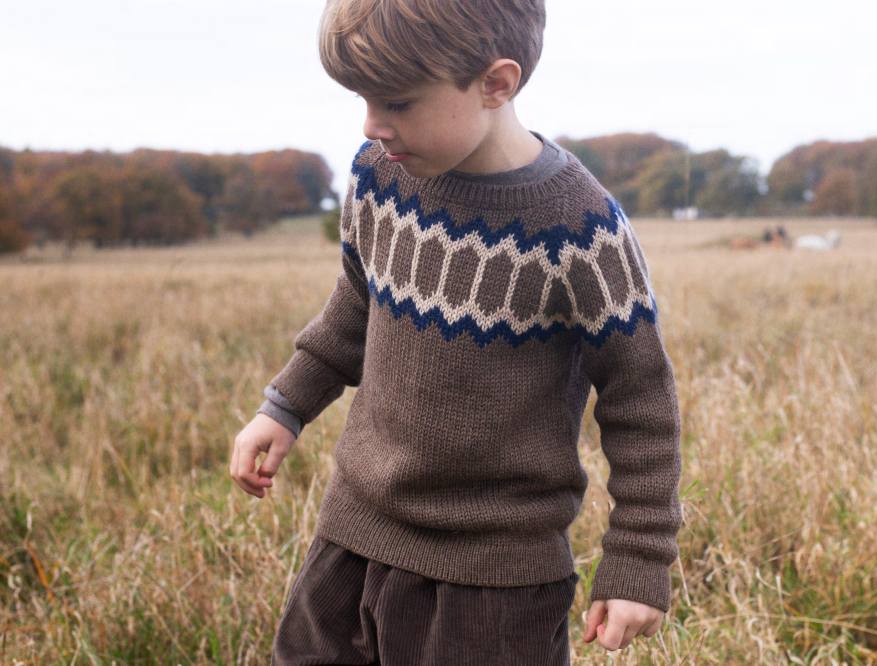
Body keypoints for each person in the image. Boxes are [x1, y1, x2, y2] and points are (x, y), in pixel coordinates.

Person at [229, 1, 684, 663]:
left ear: (497, 83)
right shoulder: (376, 176)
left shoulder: (581, 230)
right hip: (354, 534)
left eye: (399, 102)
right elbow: (356, 306)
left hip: (497, 580)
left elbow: (640, 397)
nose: (373, 124)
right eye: (361, 98)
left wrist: (640, 559)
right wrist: (286, 406)